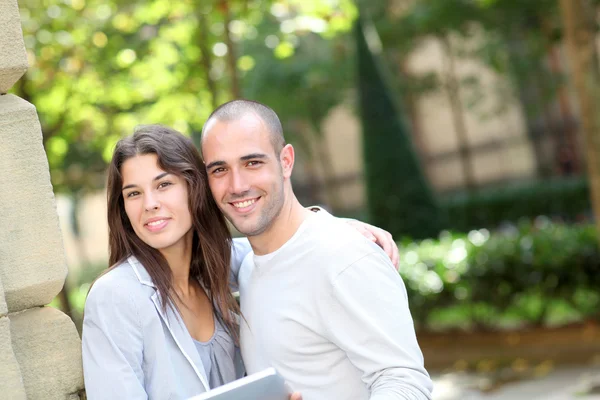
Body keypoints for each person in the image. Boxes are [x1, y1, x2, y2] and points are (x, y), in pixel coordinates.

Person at [81, 125, 399, 399]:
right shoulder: (115, 297)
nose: (150, 204)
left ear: (195, 188)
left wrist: (330, 224)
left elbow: (282, 243)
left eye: (164, 185)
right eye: (133, 194)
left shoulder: (220, 266)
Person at [201, 100, 434, 400]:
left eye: (252, 163)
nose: (237, 185)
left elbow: (405, 383)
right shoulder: (249, 264)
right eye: (219, 169)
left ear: (285, 161)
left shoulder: (345, 256)